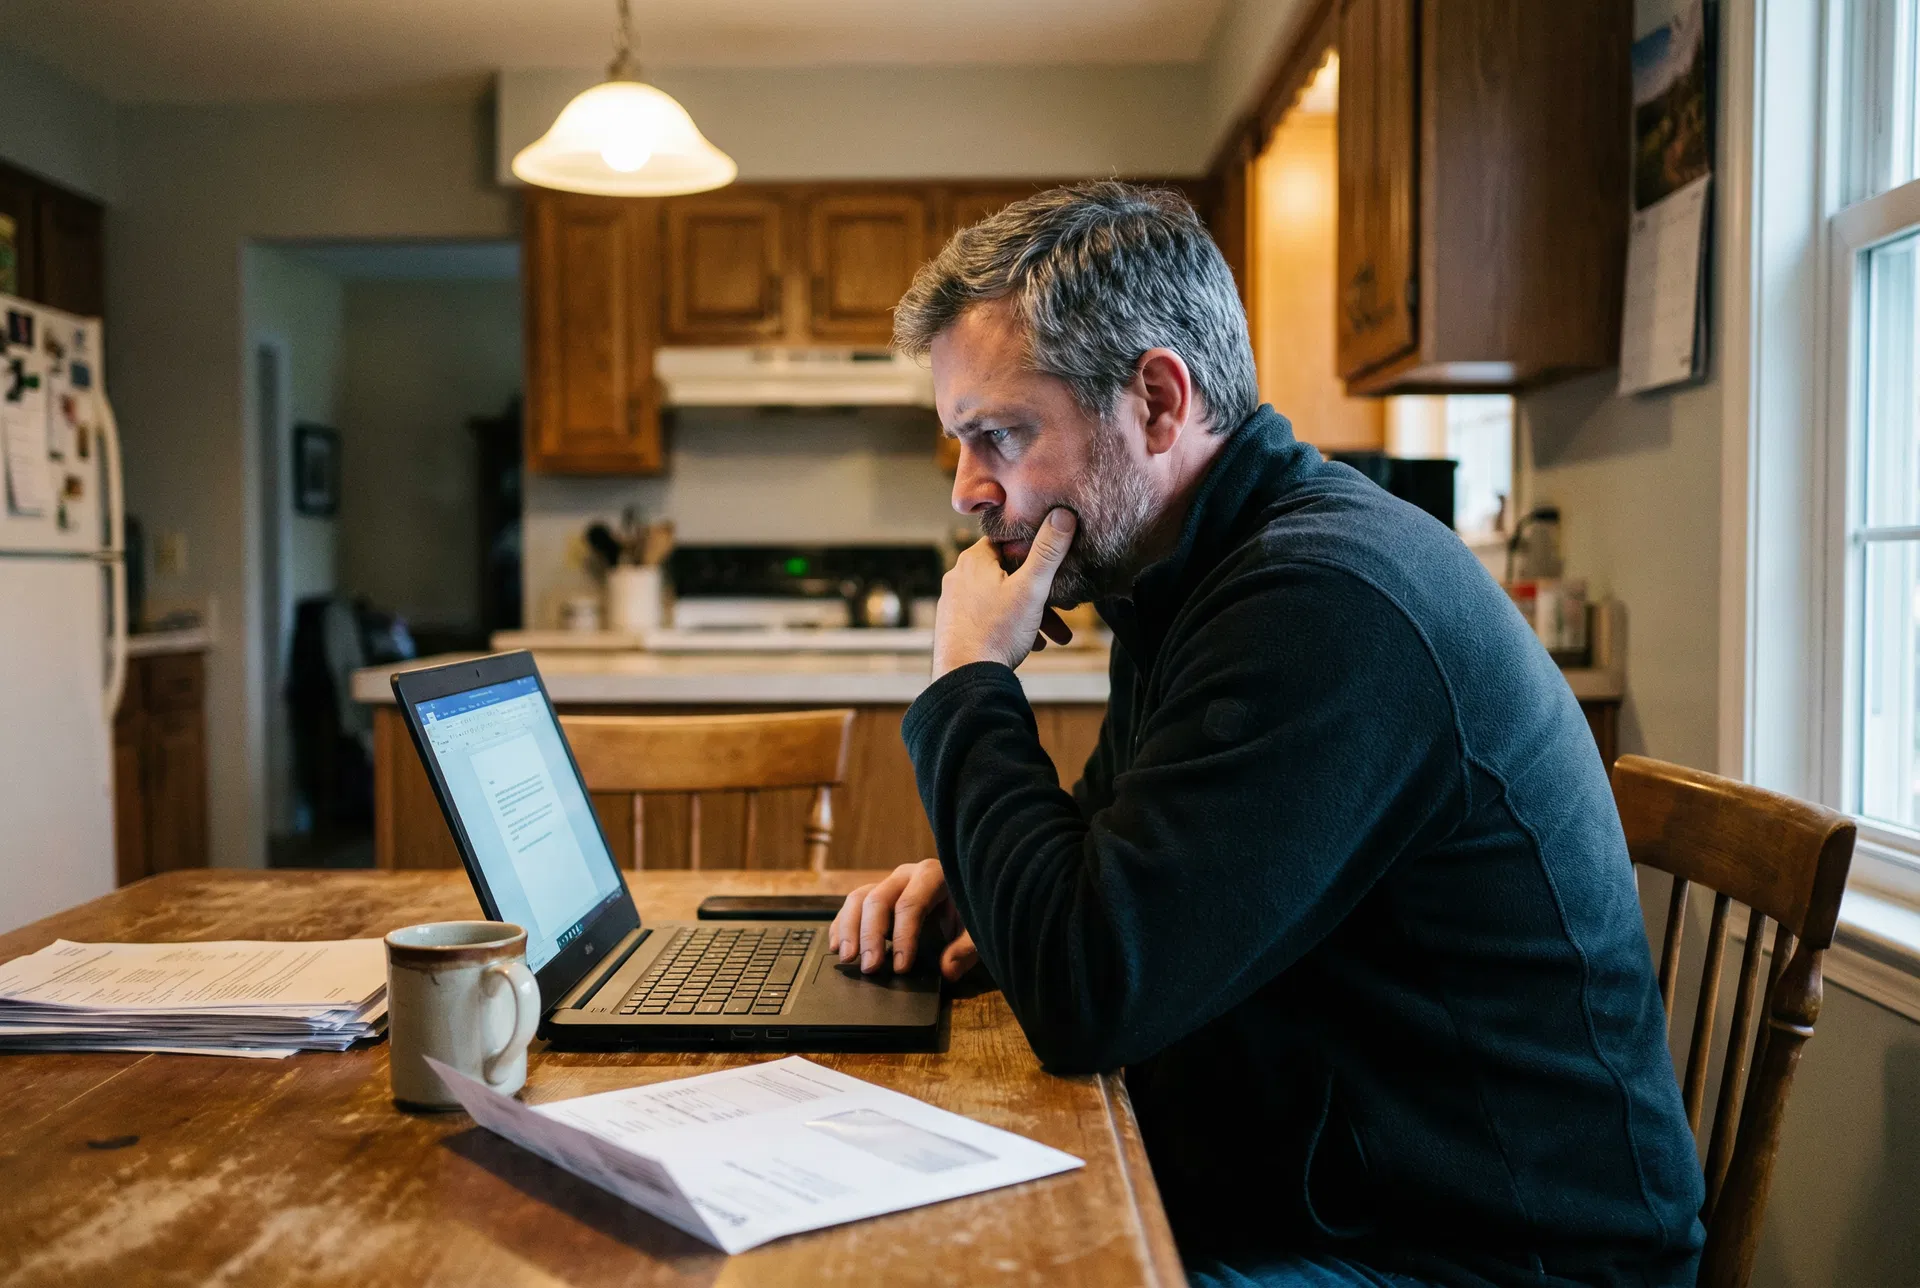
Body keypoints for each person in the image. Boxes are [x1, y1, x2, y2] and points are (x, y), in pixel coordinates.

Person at [829, 182, 1705, 1288]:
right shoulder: (1186, 572)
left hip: (1495, 1259)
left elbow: (1087, 992)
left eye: (999, 433)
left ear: (1156, 399)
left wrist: (968, 681)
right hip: (1341, 1194)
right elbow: (1111, 885)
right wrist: (987, 882)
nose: (968, 489)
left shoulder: (1322, 605)